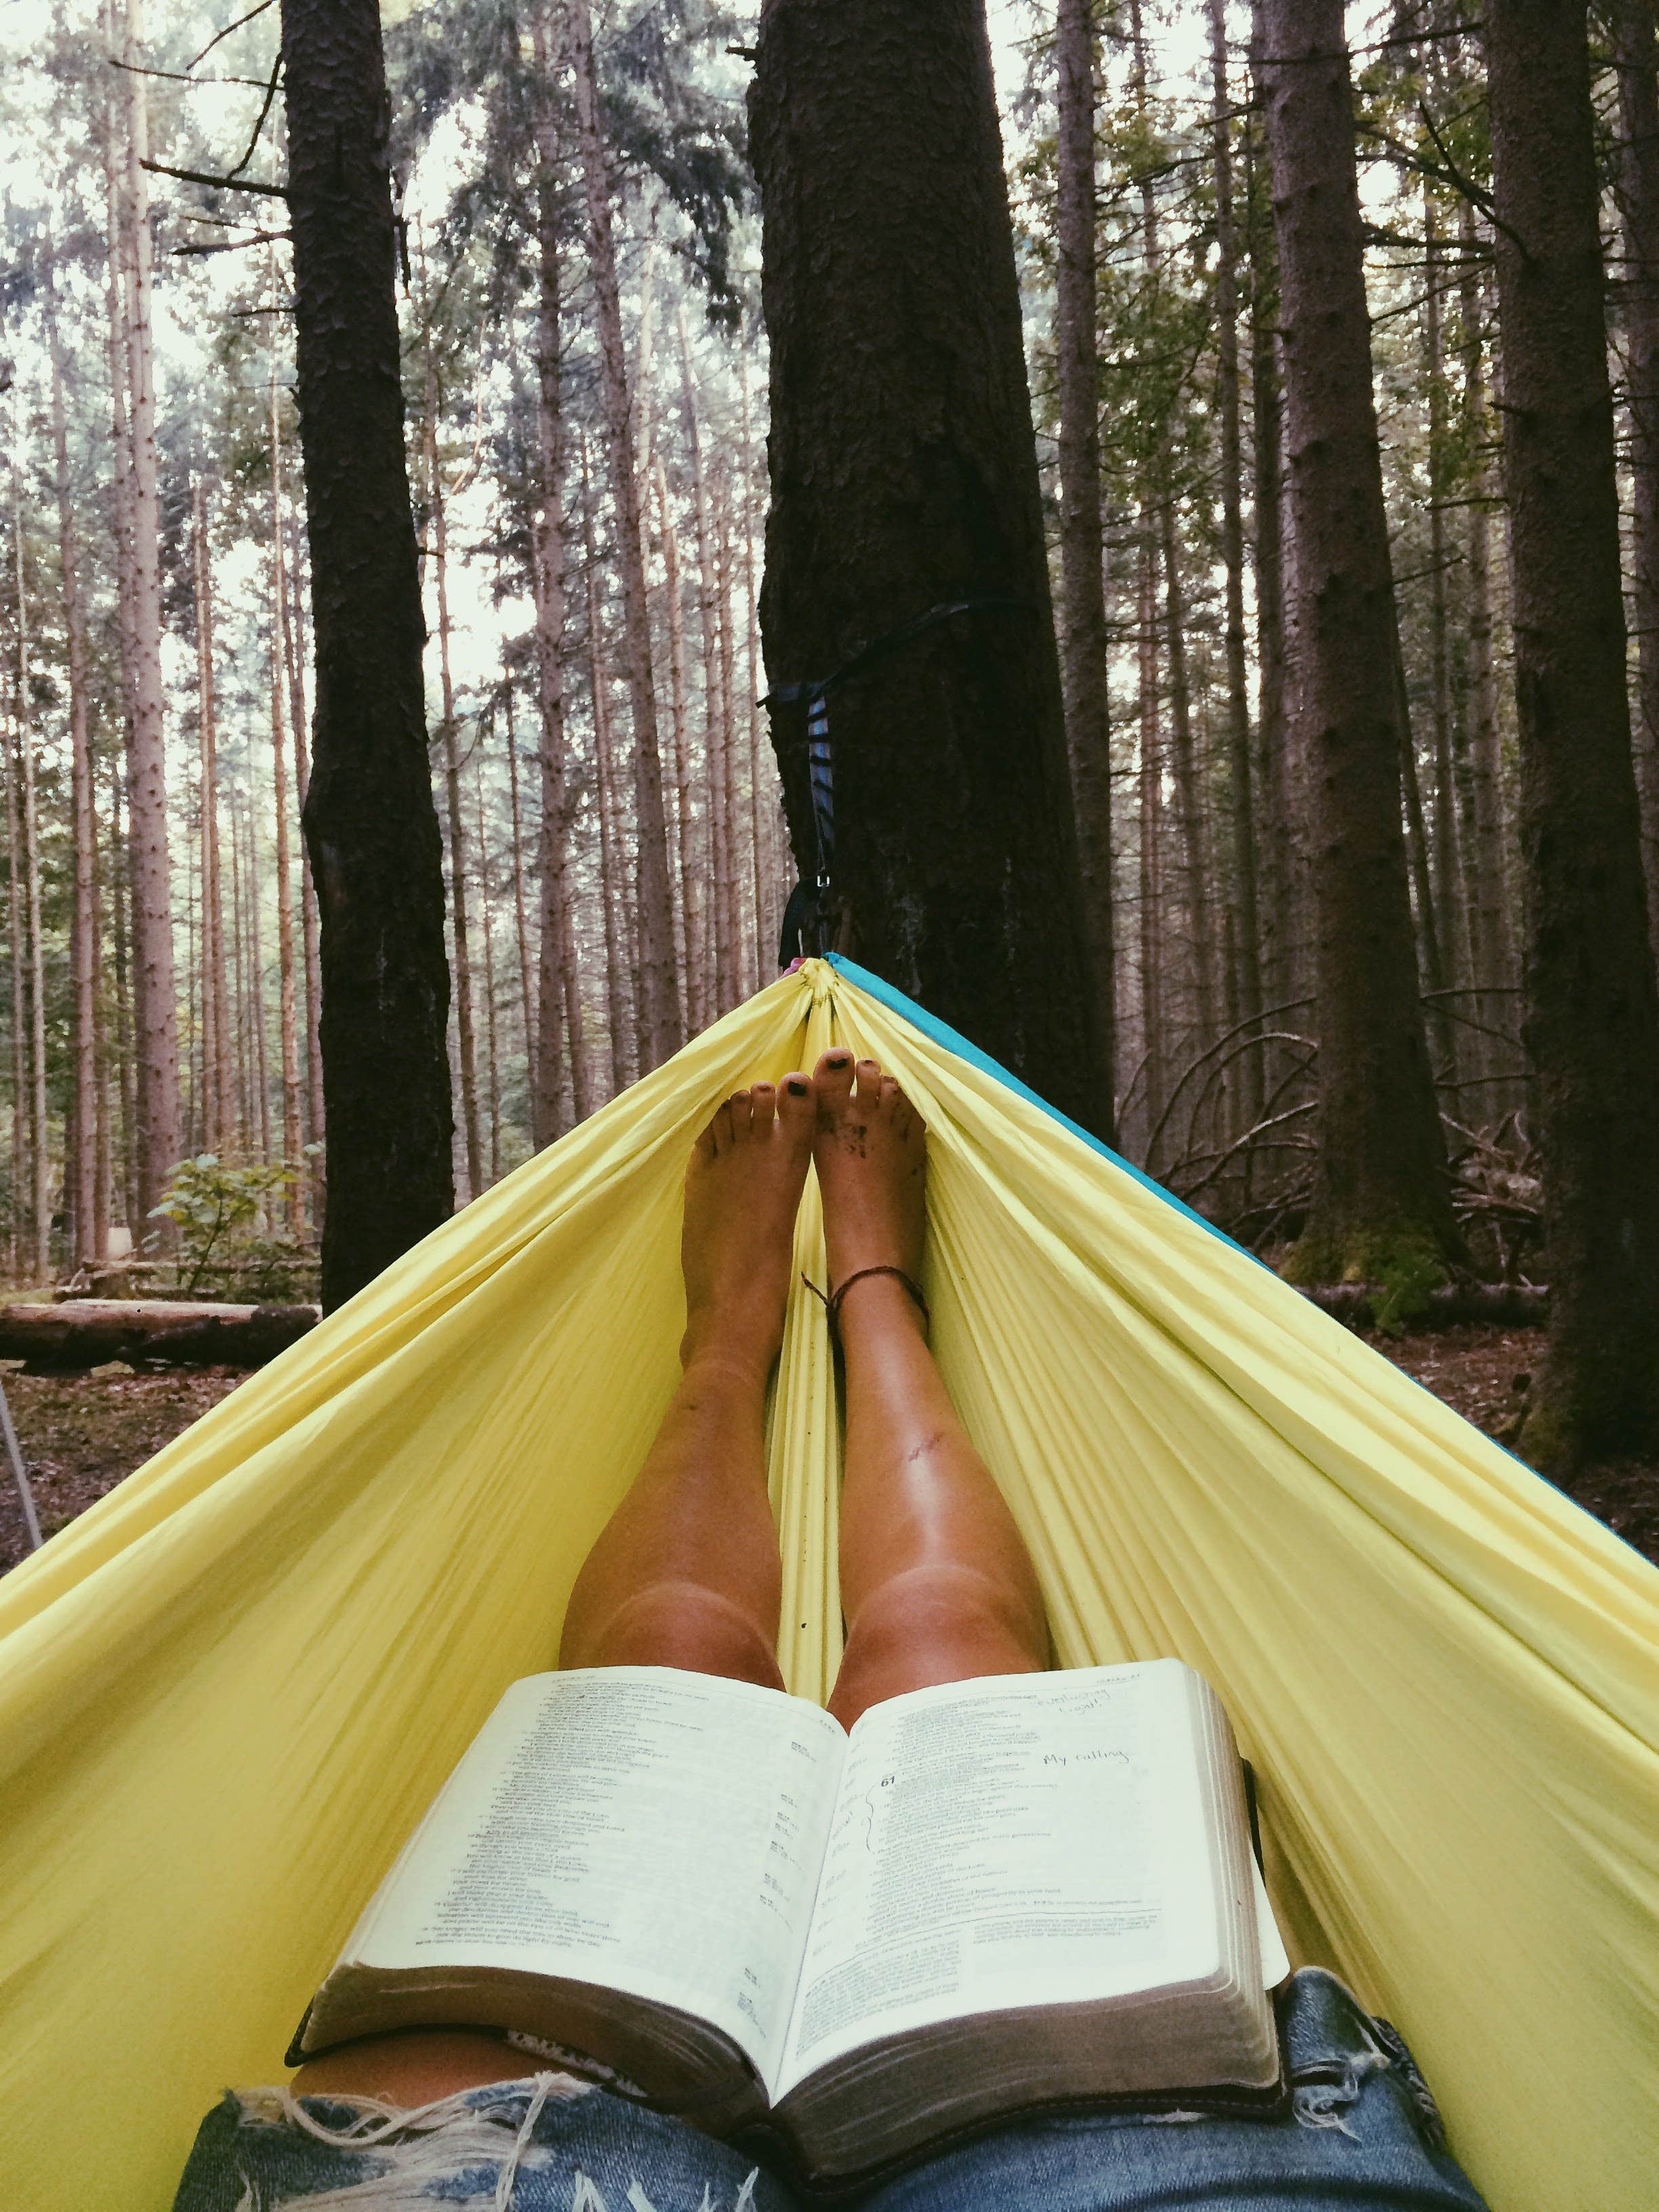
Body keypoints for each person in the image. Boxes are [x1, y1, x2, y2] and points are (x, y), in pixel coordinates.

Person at [174, 1052, 1488, 2211]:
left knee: (668, 1666)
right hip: (1172, 2164)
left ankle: (735, 1342)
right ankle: (872, 1305)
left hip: (494, 2159)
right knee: (945, 1655)